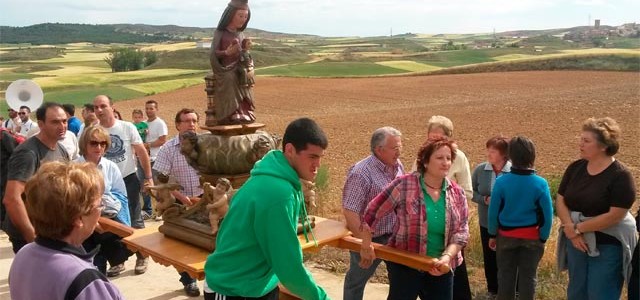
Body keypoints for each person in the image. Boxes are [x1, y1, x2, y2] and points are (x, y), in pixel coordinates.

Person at [204, 117, 329, 300]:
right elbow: (288, 267)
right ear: (290, 150)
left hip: (259, 285)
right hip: (232, 288)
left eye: (320, 157)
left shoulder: (276, 178)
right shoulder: (279, 192)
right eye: (312, 157)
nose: (317, 165)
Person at [360, 137, 469, 300]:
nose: (445, 162)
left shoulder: (457, 193)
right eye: (439, 158)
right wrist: (366, 245)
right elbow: (372, 212)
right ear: (425, 162)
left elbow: (461, 232)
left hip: (441, 268)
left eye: (448, 158)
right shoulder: (404, 185)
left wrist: (446, 258)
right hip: (405, 264)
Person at [8, 161, 125, 299]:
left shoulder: (24, 254)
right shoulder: (84, 280)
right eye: (100, 205)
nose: (101, 212)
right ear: (78, 219)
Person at [556, 117, 637, 300]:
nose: (580, 144)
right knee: (577, 291)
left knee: (600, 293)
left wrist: (578, 228)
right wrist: (572, 230)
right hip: (576, 240)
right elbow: (561, 199)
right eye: (581, 139)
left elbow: (616, 215)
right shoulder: (576, 168)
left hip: (608, 243)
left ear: (603, 146)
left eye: (586, 141)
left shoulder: (621, 176)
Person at [411, 115, 472, 300]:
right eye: (430, 136)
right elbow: (410, 183)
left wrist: (448, 191)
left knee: (454, 284)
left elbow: (468, 191)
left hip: (449, 229)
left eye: (438, 136)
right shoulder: (423, 156)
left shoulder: (459, 158)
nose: (434, 140)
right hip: (420, 232)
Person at [93, 94, 154, 275]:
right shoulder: (91, 130)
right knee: (109, 224)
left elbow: (141, 152)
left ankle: (142, 254)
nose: (99, 110)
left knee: (134, 219)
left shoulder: (127, 127)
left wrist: (148, 177)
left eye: (103, 106)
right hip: (102, 184)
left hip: (128, 179)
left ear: (113, 106)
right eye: (96, 107)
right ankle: (118, 260)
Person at [487, 136, 554, 300]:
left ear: (510, 157)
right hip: (532, 238)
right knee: (528, 277)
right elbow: (547, 214)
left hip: (506, 237)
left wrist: (492, 234)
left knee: (505, 276)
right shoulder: (540, 183)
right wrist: (543, 236)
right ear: (533, 157)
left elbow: (493, 212)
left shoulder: (502, 182)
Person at [342, 127, 405, 300]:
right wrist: (364, 243)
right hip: (369, 239)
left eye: (400, 147)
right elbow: (350, 211)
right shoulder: (361, 173)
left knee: (402, 281)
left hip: (394, 237)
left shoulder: (398, 166)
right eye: (395, 148)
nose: (399, 152)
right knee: (356, 281)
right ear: (379, 149)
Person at [2, 102, 71, 253]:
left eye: (64, 121)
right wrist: (32, 238)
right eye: (55, 122)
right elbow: (12, 199)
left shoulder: (61, 150)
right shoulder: (28, 153)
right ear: (41, 124)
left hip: (52, 229)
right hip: (32, 234)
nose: (62, 126)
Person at [153, 108, 203, 297]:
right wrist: (183, 199)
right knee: (183, 244)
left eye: (194, 120)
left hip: (204, 199)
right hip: (179, 203)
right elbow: (161, 180)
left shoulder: (206, 145)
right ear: (177, 125)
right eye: (187, 121)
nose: (191, 124)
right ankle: (188, 280)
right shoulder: (168, 149)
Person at [76, 125, 132, 276]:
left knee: (101, 264)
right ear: (84, 144)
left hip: (107, 223)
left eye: (103, 143)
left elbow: (121, 195)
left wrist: (106, 206)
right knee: (88, 265)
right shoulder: (74, 167)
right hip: (81, 225)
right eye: (93, 143)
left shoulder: (111, 167)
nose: (98, 147)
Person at [471, 135, 511, 297]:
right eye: (488, 150)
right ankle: (492, 289)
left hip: (508, 223)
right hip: (487, 222)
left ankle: (509, 290)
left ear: (503, 154)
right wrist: (484, 199)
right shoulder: (481, 170)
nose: (489, 154)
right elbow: (471, 192)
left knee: (507, 258)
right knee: (489, 257)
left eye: (493, 151)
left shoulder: (513, 171)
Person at [209, 0, 256, 125]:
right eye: (240, 16)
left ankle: (245, 111)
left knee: (245, 75)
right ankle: (231, 112)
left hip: (240, 67)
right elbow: (214, 53)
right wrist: (226, 53)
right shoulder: (221, 33)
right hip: (225, 69)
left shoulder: (241, 34)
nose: (243, 19)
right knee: (231, 77)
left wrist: (250, 65)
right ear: (231, 15)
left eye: (246, 17)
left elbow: (245, 52)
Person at [141, 100, 168, 219]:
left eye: (151, 108)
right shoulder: (143, 124)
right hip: (144, 158)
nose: (148, 111)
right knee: (145, 185)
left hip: (157, 158)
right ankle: (147, 210)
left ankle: (161, 210)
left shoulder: (160, 123)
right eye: (147, 108)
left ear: (156, 109)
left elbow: (162, 140)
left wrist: (148, 145)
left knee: (159, 186)